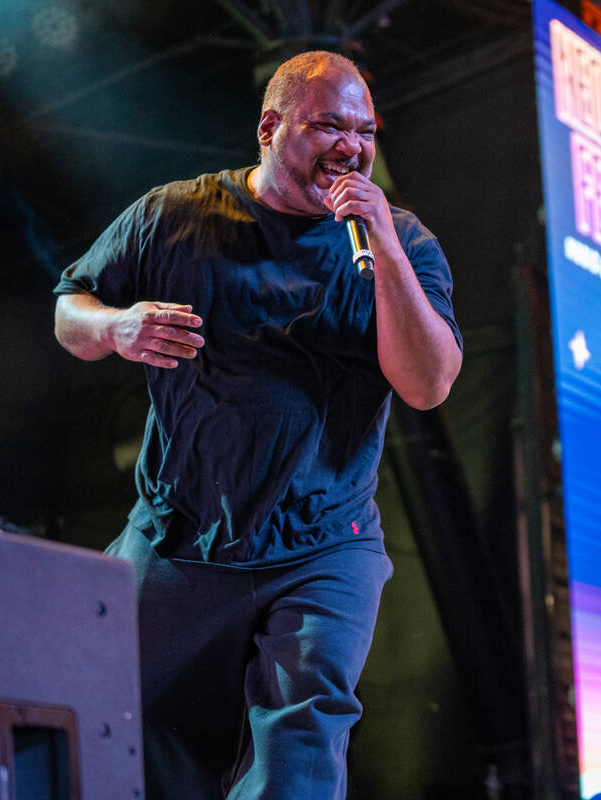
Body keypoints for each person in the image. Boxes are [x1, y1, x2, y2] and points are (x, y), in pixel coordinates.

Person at [52, 51, 462, 799]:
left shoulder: (400, 243)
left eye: (365, 131)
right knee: (125, 729)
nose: (351, 147)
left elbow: (428, 384)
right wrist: (116, 328)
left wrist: (385, 247)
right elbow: (68, 309)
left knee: (301, 749)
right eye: (329, 125)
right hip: (180, 537)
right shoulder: (172, 215)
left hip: (322, 548)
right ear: (270, 128)